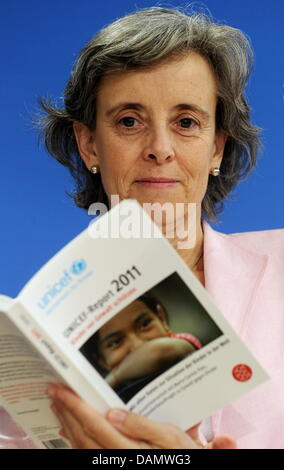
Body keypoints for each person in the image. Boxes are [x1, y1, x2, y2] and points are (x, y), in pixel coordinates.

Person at [3, 6, 284, 449]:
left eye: (186, 122)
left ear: (216, 149)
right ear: (89, 143)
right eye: (129, 121)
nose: (160, 148)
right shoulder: (28, 348)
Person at [80, 294, 201, 401]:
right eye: (116, 342)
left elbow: (158, 352)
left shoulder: (182, 342)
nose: (138, 345)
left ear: (161, 318)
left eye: (145, 324)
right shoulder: (114, 397)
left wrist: (115, 378)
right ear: (102, 361)